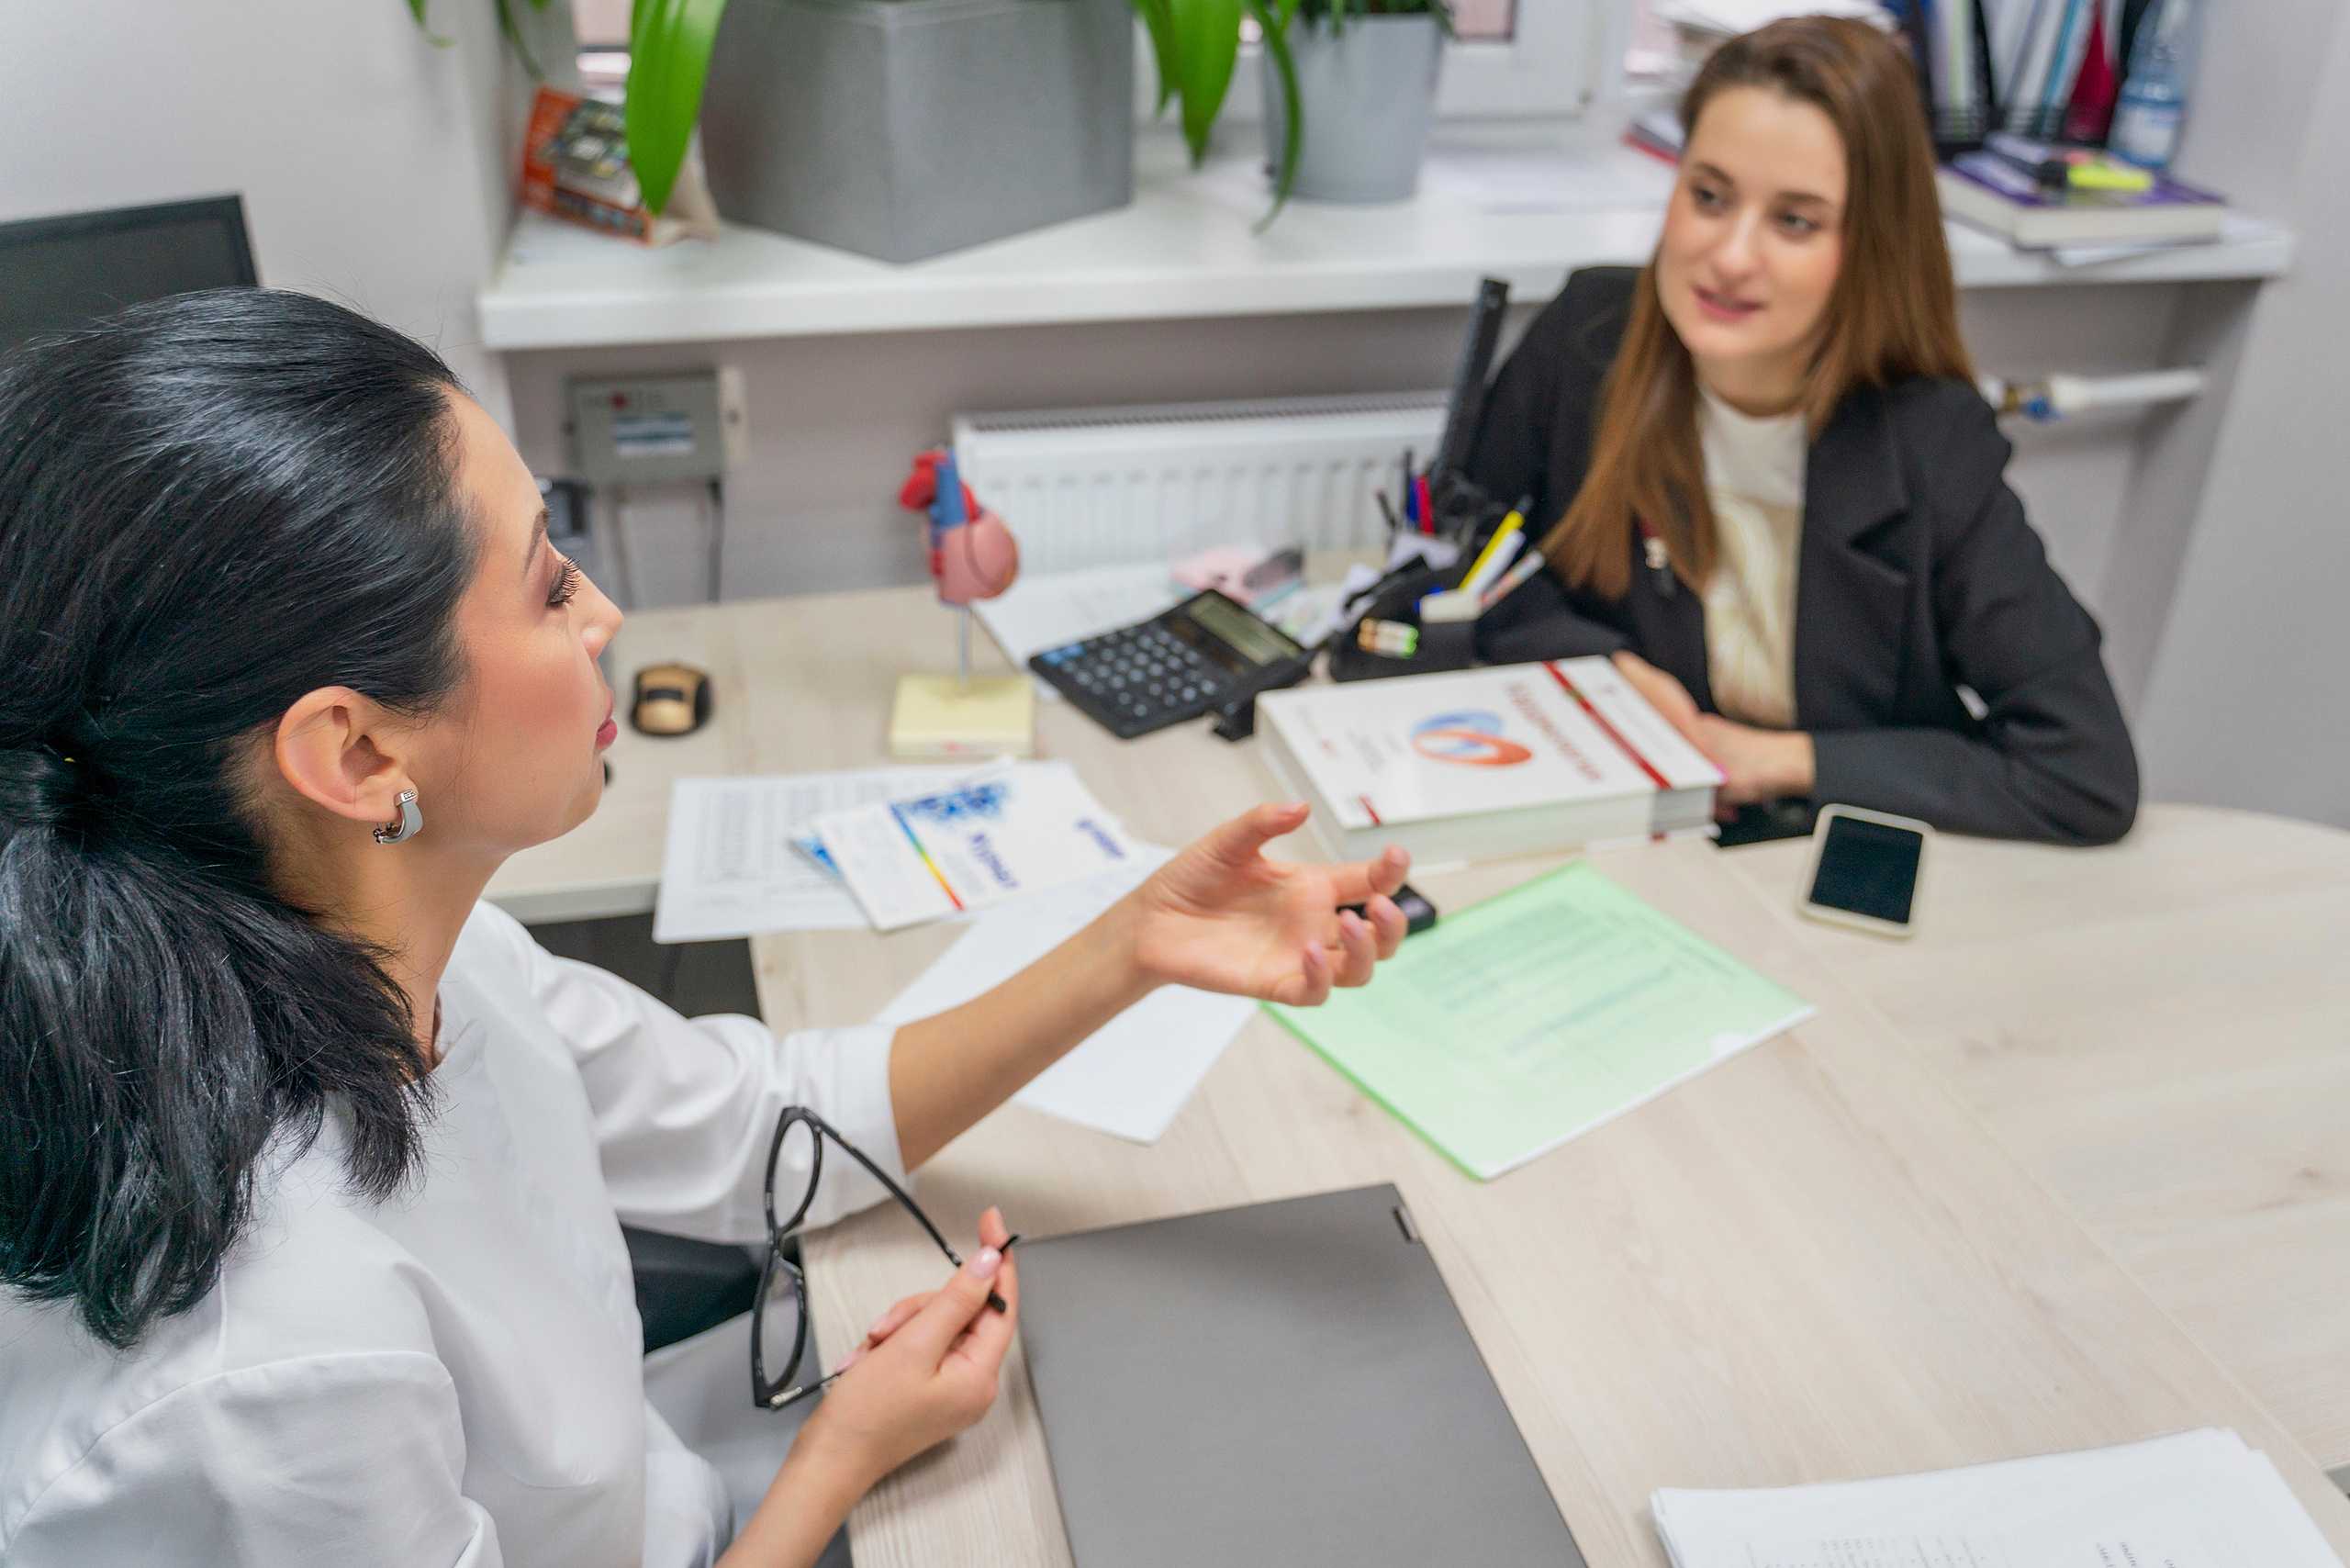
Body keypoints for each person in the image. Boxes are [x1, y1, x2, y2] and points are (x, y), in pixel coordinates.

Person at [0, 290, 1412, 1568]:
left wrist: (1136, 945)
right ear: (359, 756)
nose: (604, 612)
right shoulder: (276, 1369)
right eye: (551, 582)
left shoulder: (420, 950)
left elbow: (760, 1133)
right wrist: (840, 1458)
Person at [1467, 17, 2138, 846]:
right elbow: (1461, 566)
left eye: (1795, 221)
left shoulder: (1931, 443)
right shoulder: (1586, 340)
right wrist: (1606, 673)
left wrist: (1776, 760)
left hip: (1814, 851)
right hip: (1629, 828)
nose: (1731, 257)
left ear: (1869, 251)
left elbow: (2084, 770)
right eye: (1708, 196)